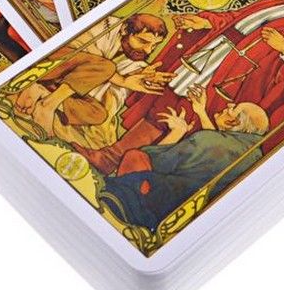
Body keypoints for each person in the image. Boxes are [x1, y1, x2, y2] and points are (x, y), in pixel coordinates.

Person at [80, 0, 284, 172]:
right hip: (213, 53)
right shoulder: (275, 2)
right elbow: (234, 19)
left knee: (192, 123)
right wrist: (206, 22)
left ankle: (146, 172)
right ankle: (110, 157)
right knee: (165, 104)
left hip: (235, 80)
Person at [99, 86, 268, 232]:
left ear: (233, 123)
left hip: (160, 201)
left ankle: (123, 206)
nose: (228, 105)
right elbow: (217, 147)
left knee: (135, 156)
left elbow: (157, 160)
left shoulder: (207, 140)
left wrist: (177, 132)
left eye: (233, 109)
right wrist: (201, 112)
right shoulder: (255, 155)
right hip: (193, 213)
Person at [12, 13, 172, 147]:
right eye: (143, 41)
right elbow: (97, 62)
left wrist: (141, 74)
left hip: (63, 85)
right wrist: (122, 81)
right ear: (125, 30)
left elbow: (111, 78)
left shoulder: (132, 55)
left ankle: (42, 93)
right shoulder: (104, 25)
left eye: (154, 46)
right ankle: (47, 105)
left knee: (98, 114)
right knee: (106, 67)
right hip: (52, 66)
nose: (148, 50)